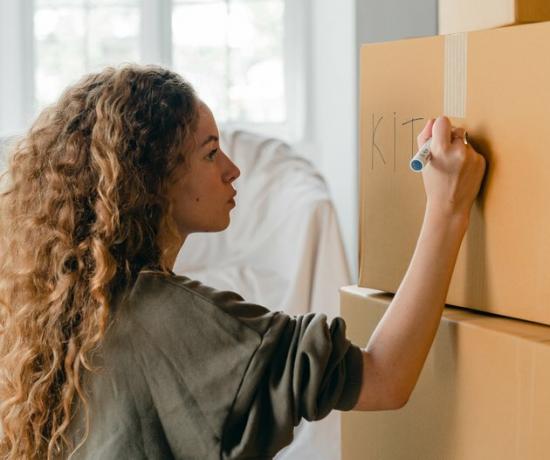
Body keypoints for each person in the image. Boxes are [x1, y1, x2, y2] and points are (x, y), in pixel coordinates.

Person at [0, 64, 485, 459]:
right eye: (211, 154)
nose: (234, 170)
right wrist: (448, 208)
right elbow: (384, 378)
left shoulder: (64, 308)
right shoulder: (169, 320)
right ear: (153, 180)